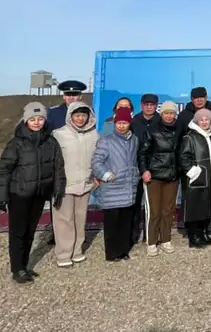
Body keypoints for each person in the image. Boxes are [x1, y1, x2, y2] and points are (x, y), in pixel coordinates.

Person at [0, 102, 66, 284]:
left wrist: (57, 190)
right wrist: (2, 196)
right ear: (26, 120)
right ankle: (17, 268)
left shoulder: (51, 142)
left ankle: (25, 265)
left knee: (30, 231)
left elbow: (58, 168)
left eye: (40, 119)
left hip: (39, 194)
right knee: (18, 232)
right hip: (19, 194)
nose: (36, 122)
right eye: (33, 119)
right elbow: (4, 170)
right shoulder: (16, 143)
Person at [51, 102, 99, 268]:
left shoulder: (94, 135)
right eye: (77, 115)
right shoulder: (58, 134)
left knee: (80, 218)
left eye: (83, 115)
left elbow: (96, 159)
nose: (80, 118)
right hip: (64, 185)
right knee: (64, 220)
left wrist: (95, 177)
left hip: (85, 183)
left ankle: (77, 250)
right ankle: (64, 253)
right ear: (70, 116)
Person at [91, 107, 140, 262]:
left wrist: (136, 174)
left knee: (125, 222)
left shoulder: (134, 140)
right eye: (119, 122)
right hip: (112, 188)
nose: (121, 126)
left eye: (124, 122)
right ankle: (112, 253)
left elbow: (134, 161)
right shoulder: (106, 140)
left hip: (128, 187)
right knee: (112, 223)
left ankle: (123, 250)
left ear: (129, 123)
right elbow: (96, 161)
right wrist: (105, 175)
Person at [44, 80, 87, 246]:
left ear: (80, 95)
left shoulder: (86, 113)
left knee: (78, 204)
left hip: (79, 163)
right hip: (58, 163)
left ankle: (77, 236)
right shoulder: (53, 114)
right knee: (58, 201)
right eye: (68, 95)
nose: (71, 97)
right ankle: (57, 234)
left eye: (75, 94)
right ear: (63, 96)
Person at [139, 100, 181, 256]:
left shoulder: (179, 130)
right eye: (166, 113)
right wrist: (144, 170)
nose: (169, 116)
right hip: (154, 176)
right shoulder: (152, 130)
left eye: (172, 113)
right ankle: (151, 242)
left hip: (172, 176)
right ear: (161, 114)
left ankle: (165, 239)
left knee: (168, 210)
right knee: (154, 211)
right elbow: (143, 153)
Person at [178, 109, 211, 248]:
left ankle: (203, 233)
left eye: (206, 120)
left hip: (209, 178)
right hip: (196, 180)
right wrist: (193, 172)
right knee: (194, 208)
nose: (204, 122)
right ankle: (193, 236)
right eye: (201, 120)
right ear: (196, 121)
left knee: (205, 207)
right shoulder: (190, 137)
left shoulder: (210, 135)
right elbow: (184, 157)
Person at [130, 93, 160, 246]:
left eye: (152, 104)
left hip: (155, 167)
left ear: (156, 106)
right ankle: (135, 232)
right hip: (135, 167)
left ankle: (152, 233)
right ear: (141, 105)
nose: (149, 107)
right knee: (135, 203)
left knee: (154, 204)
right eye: (146, 104)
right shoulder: (134, 121)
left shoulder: (160, 121)